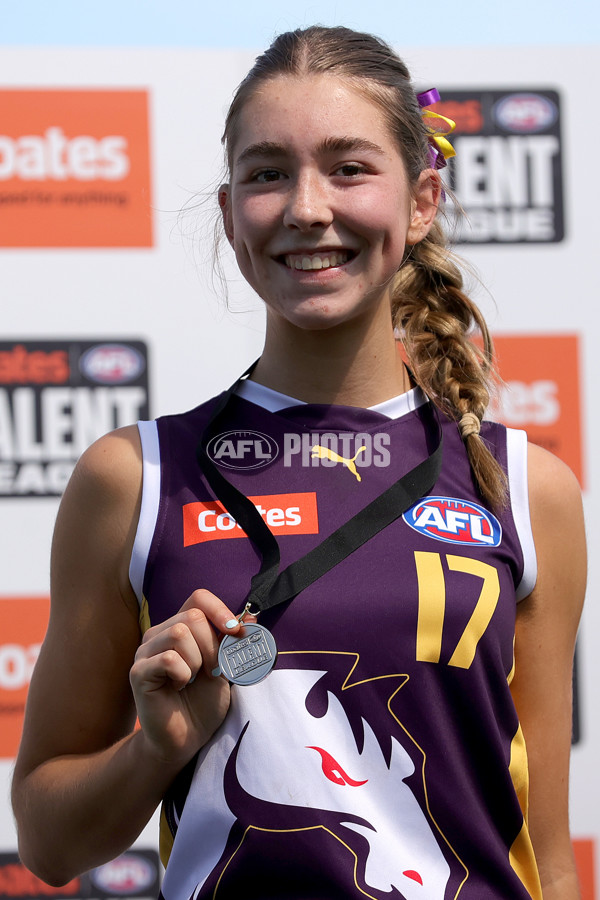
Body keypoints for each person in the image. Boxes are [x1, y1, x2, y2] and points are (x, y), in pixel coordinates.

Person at [11, 25, 585, 900]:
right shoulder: (134, 478)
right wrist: (154, 745)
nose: (306, 208)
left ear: (422, 199)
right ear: (230, 208)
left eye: (349, 168)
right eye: (268, 172)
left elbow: (547, 854)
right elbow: (49, 844)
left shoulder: (526, 489)